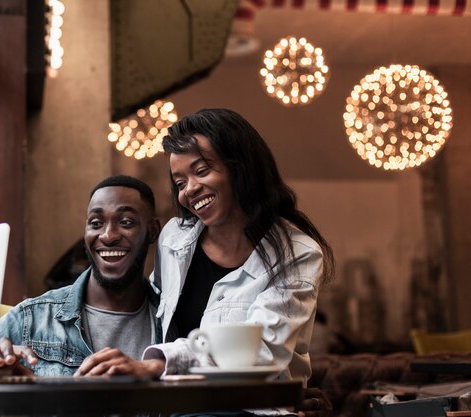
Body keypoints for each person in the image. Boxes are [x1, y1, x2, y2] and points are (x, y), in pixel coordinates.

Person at [76, 108, 334, 389]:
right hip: (178, 406)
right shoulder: (173, 239)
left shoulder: (297, 253)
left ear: (240, 166)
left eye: (201, 171)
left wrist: (159, 363)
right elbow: (152, 314)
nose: (189, 190)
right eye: (180, 183)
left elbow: (261, 349)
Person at [0, 175, 162, 376]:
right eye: (96, 223)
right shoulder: (29, 320)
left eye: (126, 222)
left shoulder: (173, 321)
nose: (108, 236)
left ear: (152, 231)